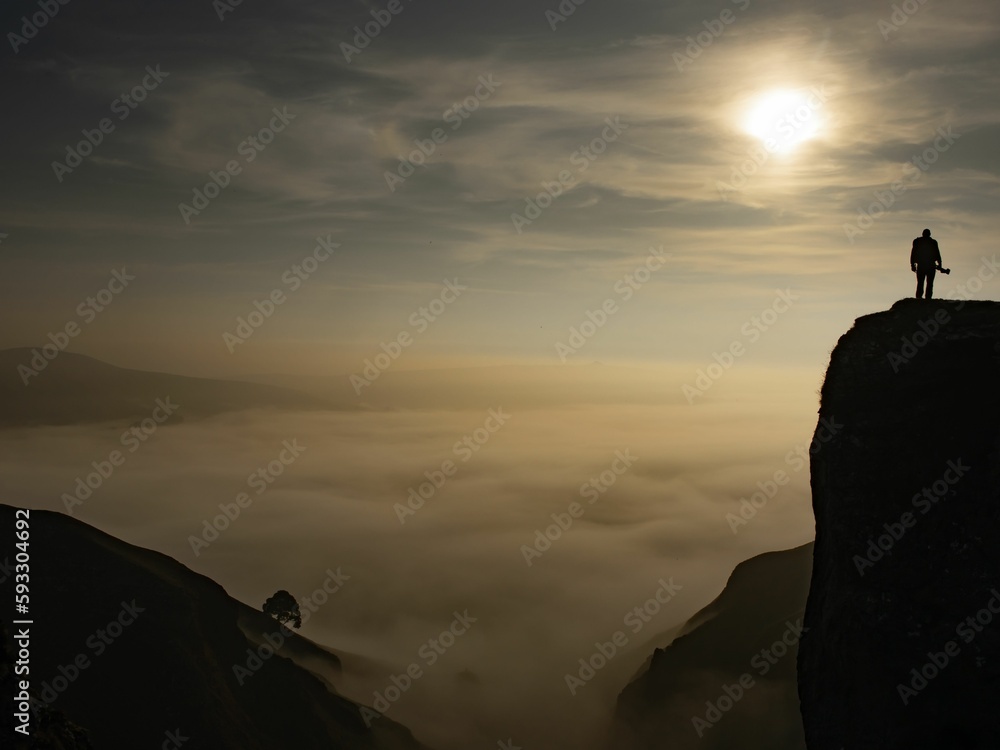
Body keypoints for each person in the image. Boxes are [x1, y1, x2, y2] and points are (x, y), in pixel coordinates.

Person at [910, 228, 942, 299]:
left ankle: (925, 298)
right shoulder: (920, 242)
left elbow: (937, 254)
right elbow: (913, 253)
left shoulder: (920, 241)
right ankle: (922, 298)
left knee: (926, 283)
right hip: (925, 265)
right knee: (923, 283)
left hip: (927, 265)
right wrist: (912, 265)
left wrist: (912, 265)